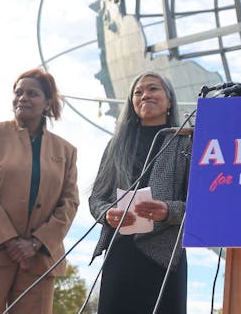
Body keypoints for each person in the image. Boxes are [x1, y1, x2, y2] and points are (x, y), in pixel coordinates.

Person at [0, 68, 79, 314]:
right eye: (18, 92)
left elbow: (70, 202)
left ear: (47, 102)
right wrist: (9, 240)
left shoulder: (66, 151)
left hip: (39, 258)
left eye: (32, 93)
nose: (23, 98)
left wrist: (36, 243)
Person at [89, 72, 192, 314]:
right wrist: (107, 214)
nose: (145, 94)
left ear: (169, 101)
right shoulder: (116, 145)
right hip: (120, 252)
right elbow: (96, 198)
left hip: (166, 256)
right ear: (132, 103)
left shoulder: (187, 144)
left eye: (153, 89)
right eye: (138, 92)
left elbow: (200, 203)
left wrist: (169, 211)